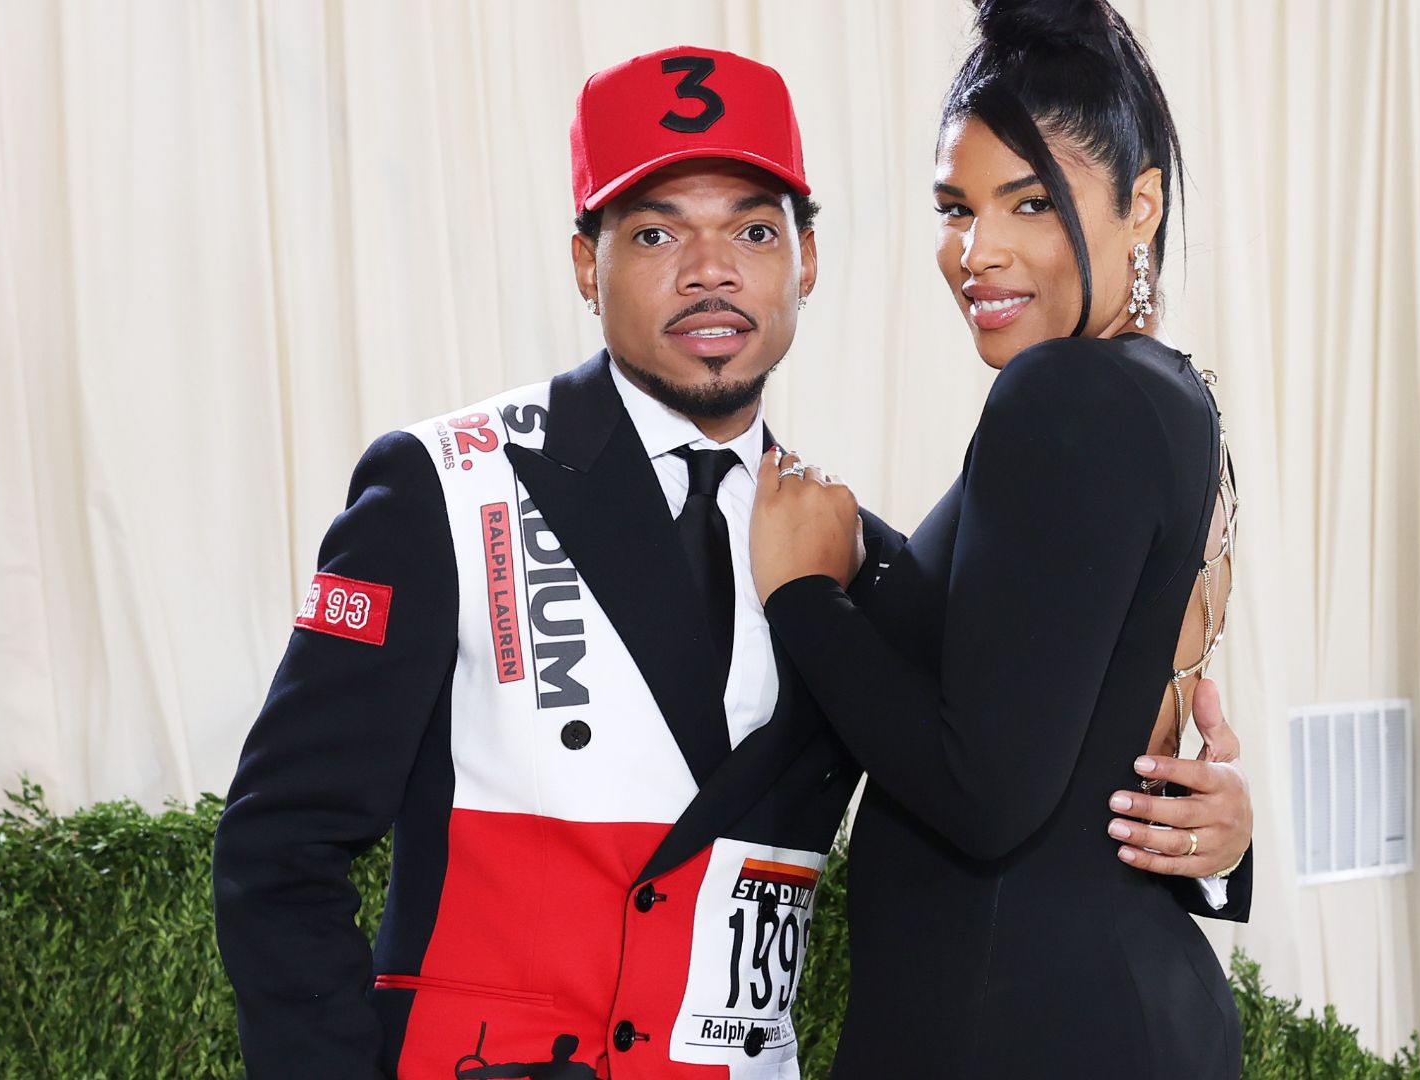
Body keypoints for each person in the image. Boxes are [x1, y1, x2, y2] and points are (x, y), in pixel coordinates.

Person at [213, 39, 1250, 1080]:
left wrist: (1212, 840)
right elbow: (277, 852)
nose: (711, 270)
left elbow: (1013, 767)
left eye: (753, 229)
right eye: (658, 229)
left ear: (805, 259)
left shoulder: (853, 567)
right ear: (588, 261)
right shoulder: (444, 486)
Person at [750, 1, 1251, 1076]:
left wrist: (802, 598)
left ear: (1141, 206)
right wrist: (854, 548)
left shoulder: (1059, 396)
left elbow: (986, 793)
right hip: (1104, 1005)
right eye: (954, 207)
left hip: (1017, 1025)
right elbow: (1044, 655)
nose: (978, 253)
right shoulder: (1172, 398)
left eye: (1029, 202)